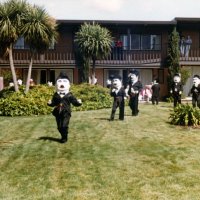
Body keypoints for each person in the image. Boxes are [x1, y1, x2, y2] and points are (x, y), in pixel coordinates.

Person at [47, 72, 82, 143]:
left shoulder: (70, 95)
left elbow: (75, 102)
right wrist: (50, 103)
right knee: (59, 127)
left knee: (64, 125)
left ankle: (64, 138)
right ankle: (63, 135)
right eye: (59, 81)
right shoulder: (56, 95)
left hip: (66, 112)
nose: (62, 83)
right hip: (58, 112)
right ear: (56, 85)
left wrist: (79, 103)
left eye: (64, 81)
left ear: (69, 85)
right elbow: (54, 103)